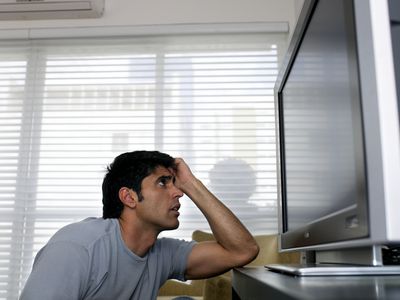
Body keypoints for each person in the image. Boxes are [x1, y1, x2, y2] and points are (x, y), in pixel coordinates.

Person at [20, 150, 259, 300]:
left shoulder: (163, 253)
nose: (178, 193)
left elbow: (242, 251)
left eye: (177, 184)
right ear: (129, 197)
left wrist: (192, 184)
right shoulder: (77, 247)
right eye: (163, 183)